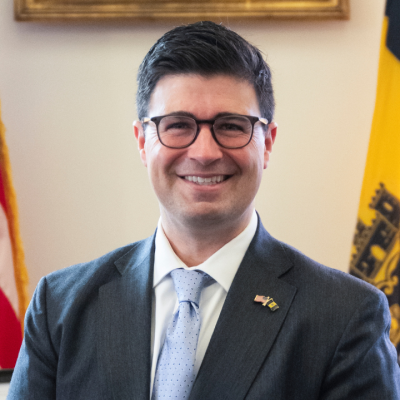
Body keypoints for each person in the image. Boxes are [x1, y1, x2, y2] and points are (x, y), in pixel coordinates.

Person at [8, 21, 400, 400]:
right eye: (178, 125)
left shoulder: (346, 316)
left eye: (231, 125)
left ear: (267, 144)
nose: (205, 152)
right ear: (142, 142)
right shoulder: (58, 307)